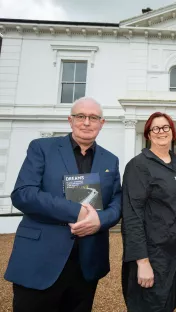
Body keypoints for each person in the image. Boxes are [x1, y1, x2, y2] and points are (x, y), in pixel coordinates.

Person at [4, 97, 122, 312]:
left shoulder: (110, 160)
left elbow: (117, 201)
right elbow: (23, 193)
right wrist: (77, 211)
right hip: (39, 259)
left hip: (86, 263)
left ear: (101, 123)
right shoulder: (42, 148)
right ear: (70, 120)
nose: (86, 122)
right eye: (80, 116)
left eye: (93, 117)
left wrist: (99, 220)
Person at [121, 112, 176, 312]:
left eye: (165, 127)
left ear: (172, 132)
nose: (161, 132)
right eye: (155, 128)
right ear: (148, 134)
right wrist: (142, 262)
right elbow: (132, 215)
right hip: (155, 257)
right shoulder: (138, 165)